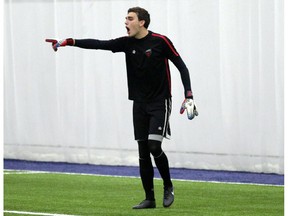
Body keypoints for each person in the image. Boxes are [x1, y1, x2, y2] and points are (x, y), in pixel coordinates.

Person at [46, 6, 198, 209]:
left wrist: (188, 95)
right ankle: (149, 199)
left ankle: (168, 186)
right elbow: (99, 44)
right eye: (125, 18)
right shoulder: (126, 43)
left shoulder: (161, 41)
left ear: (141, 22)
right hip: (139, 103)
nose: (125, 22)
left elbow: (182, 66)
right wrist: (70, 42)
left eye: (129, 18)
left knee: (154, 146)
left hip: (159, 102)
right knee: (143, 151)